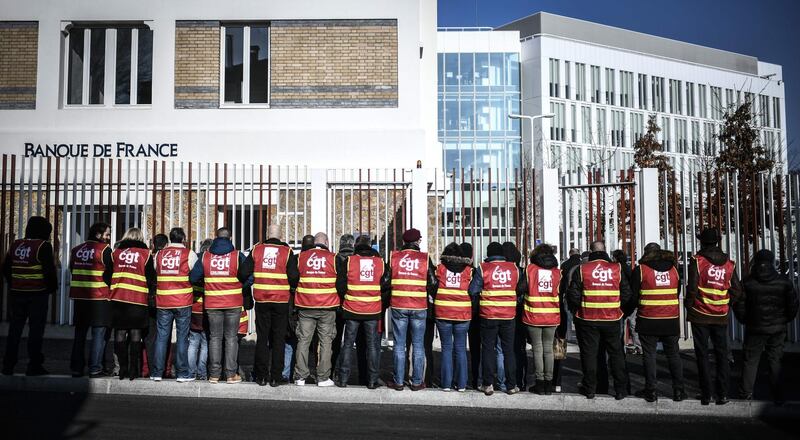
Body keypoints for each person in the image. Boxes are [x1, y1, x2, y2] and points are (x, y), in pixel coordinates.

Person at [566, 240, 632, 400]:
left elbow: (573, 294)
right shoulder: (617, 268)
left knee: (590, 355)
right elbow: (626, 292)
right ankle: (620, 389)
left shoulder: (582, 269)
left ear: (590, 252)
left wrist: (579, 310)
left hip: (588, 318)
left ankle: (590, 389)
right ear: (605, 251)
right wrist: (618, 308)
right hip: (612, 318)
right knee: (616, 354)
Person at [684, 227, 741, 405]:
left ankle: (706, 394)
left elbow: (692, 288)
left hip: (700, 314)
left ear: (702, 242)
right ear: (717, 242)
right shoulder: (729, 264)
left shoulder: (697, 261)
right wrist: (726, 304)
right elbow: (737, 290)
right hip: (721, 315)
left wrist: (689, 306)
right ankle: (722, 394)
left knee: (702, 355)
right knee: (721, 355)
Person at [734, 249, 799, 404]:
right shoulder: (784, 282)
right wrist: (784, 320)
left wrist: (745, 320)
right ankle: (777, 394)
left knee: (750, 360)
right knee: (775, 360)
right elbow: (793, 306)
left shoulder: (748, 282)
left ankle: (746, 394)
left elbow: (739, 305)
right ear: (772, 261)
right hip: (777, 328)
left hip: (755, 328)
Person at [190, 227, 252, 384]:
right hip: (233, 303)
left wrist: (209, 285)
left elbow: (193, 277)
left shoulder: (205, 256)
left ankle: (214, 375)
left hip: (212, 303)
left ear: (216, 237)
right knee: (231, 338)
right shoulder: (237, 256)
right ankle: (231, 374)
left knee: (215, 338)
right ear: (230, 238)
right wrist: (239, 288)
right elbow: (250, 276)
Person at [241, 224, 299, 387]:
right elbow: (294, 277)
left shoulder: (256, 250)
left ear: (267, 234)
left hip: (262, 300)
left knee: (262, 338)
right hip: (280, 301)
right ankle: (275, 377)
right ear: (280, 236)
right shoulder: (287, 252)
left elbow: (243, 273)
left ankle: (261, 376)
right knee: (279, 339)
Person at [1, 216, 58, 376]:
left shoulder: (16, 244)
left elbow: (6, 268)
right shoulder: (43, 246)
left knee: (15, 330)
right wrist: (52, 288)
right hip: (37, 294)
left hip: (17, 294)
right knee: (35, 331)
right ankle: (34, 365)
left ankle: (8, 365)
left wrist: (14, 283)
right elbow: (49, 271)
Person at [629, 242, 686, 402]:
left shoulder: (641, 270)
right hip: (670, 319)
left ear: (646, 254)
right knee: (674, 355)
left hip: (648, 318)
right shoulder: (674, 269)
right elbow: (677, 292)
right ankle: (679, 391)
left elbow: (634, 296)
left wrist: (627, 311)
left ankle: (651, 391)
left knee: (649, 355)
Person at [334, 234, 390, 388]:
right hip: (372, 310)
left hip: (352, 309)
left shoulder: (350, 261)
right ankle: (372, 380)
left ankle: (343, 379)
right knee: (372, 346)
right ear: (370, 245)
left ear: (356, 246)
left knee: (347, 344)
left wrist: (347, 296)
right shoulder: (380, 262)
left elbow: (340, 284)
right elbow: (386, 284)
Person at [388, 228, 437, 391]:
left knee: (399, 345)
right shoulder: (424, 258)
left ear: (404, 242)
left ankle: (399, 381)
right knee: (418, 345)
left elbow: (386, 281)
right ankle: (417, 382)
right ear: (417, 242)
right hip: (419, 306)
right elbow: (433, 283)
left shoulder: (394, 257)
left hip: (399, 305)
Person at [478, 241, 527, 396]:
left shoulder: (482, 268)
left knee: (488, 349)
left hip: (488, 315)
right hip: (508, 315)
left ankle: (488, 384)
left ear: (489, 253)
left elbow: (473, 289)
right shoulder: (514, 269)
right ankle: (511, 385)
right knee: (508, 350)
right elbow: (519, 289)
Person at [149, 227, 197, 382]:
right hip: (182, 300)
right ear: (183, 238)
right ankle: (182, 373)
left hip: (163, 301)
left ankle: (157, 372)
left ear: (170, 238)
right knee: (183, 338)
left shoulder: (159, 254)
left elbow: (156, 271)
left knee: (162, 337)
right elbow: (195, 274)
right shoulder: (189, 254)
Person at [433, 242, 481, 392]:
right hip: (462, 314)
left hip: (443, 312)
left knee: (446, 348)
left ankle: (446, 384)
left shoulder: (440, 269)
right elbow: (473, 291)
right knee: (460, 349)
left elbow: (433, 286)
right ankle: (461, 384)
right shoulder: (468, 271)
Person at [293, 232, 339, 387]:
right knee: (326, 342)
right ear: (326, 241)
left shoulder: (302, 257)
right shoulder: (333, 258)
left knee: (303, 341)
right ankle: (323, 378)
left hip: (305, 305)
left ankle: (300, 377)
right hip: (327, 306)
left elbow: (293, 278)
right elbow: (341, 283)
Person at [68, 222, 113, 378]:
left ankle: (76, 368)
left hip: (80, 297)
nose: (109, 237)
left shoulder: (76, 250)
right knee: (99, 334)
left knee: (80, 333)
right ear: (98, 235)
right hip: (100, 298)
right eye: (107, 234)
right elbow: (110, 274)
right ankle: (95, 368)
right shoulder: (105, 250)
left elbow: (72, 269)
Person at [110, 227, 155, 381]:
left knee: (120, 333)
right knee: (136, 333)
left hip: (118, 297)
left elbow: (107, 274)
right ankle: (134, 369)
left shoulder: (115, 252)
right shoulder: (146, 254)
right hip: (138, 298)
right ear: (140, 238)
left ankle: (122, 368)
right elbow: (151, 278)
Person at [522, 244, 561, 395]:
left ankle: (539, 384)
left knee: (537, 350)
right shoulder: (557, 272)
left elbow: (520, 288)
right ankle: (548, 384)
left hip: (533, 316)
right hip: (552, 317)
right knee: (549, 351)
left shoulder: (530, 270)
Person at [143, 233, 169, 379]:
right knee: (164, 336)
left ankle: (150, 368)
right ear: (166, 245)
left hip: (148, 300)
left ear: (153, 245)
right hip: (164, 300)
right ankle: (163, 369)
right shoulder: (164, 257)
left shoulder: (150, 258)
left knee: (150, 337)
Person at [504, 241, 528, 391]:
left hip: (504, 313)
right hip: (520, 313)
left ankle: (507, 380)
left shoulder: (501, 271)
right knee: (519, 349)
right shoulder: (521, 271)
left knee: (505, 349)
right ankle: (520, 381)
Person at [331, 234, 355, 382]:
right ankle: (349, 374)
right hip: (354, 305)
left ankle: (332, 371)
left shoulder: (335, 259)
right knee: (350, 342)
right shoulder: (356, 260)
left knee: (335, 341)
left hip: (336, 305)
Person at [188, 239, 212, 381]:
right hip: (206, 309)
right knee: (205, 342)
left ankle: (191, 373)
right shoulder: (209, 263)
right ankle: (202, 373)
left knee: (193, 342)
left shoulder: (195, 264)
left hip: (193, 307)